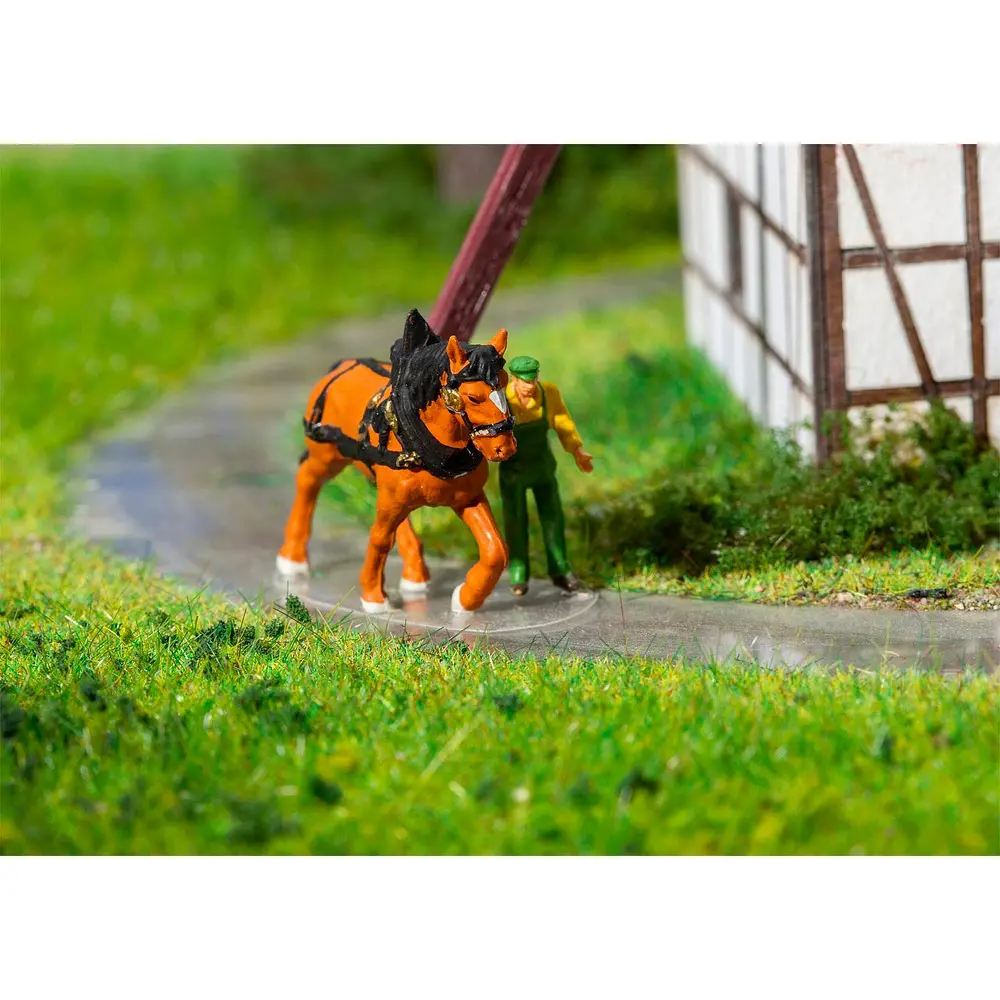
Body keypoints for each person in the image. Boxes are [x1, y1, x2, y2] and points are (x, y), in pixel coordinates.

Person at [499, 355, 594, 597]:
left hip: (543, 467)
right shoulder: (500, 399)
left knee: (553, 518)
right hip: (514, 472)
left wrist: (577, 450)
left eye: (533, 380)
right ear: (513, 379)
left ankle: (560, 568)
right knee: (515, 521)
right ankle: (519, 571)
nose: (530, 387)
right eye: (524, 382)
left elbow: (563, 422)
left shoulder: (548, 393)